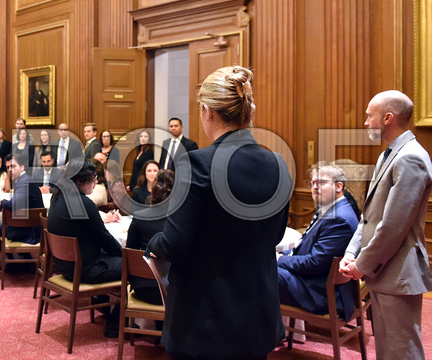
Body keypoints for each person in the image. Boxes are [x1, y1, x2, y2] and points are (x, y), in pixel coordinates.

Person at [146, 66, 292, 359]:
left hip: (205, 317)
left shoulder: (197, 163)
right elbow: (275, 235)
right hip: (256, 313)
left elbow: (174, 243)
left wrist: (152, 245)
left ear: (207, 111)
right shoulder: (277, 163)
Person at [339, 90, 432, 359]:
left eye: (370, 116)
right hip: (383, 271)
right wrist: (351, 253)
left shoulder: (410, 157)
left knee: (402, 349)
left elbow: (393, 226)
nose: (366, 122)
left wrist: (362, 265)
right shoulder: (387, 155)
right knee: (386, 349)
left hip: (398, 272)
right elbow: (370, 216)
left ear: (388, 118)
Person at [47, 158, 122, 337]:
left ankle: (102, 302)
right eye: (93, 179)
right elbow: (104, 238)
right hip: (84, 270)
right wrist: (124, 255)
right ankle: (115, 321)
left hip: (64, 266)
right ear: (79, 181)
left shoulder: (57, 196)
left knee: (113, 256)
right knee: (134, 268)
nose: (96, 183)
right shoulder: (84, 203)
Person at [277, 164, 358, 321]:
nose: (315, 187)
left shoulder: (339, 219)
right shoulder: (331, 209)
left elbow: (315, 263)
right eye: (312, 183)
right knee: (261, 268)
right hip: (314, 281)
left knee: (258, 274)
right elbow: (303, 247)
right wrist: (282, 255)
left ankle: (261, 334)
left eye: (321, 182)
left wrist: (280, 259)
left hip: (321, 292)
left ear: (338, 186)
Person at [126, 169, 174, 306]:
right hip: (173, 290)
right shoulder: (181, 221)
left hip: (143, 288)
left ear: (152, 191)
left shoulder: (140, 217)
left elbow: (130, 252)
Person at [0, 154, 44, 250]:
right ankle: (22, 260)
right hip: (29, 226)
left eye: (13, 166)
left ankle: (10, 261)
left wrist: (2, 202)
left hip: (30, 232)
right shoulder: (23, 180)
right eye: (8, 167)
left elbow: (13, 205)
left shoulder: (24, 181)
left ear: (22, 167)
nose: (10, 170)